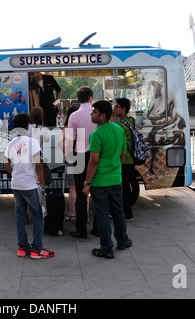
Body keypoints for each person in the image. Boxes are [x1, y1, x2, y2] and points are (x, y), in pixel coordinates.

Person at [83, 100, 132, 259]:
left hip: (100, 182)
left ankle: (106, 248)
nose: (91, 114)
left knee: (103, 214)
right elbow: (123, 154)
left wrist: (87, 183)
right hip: (116, 178)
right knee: (118, 211)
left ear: (102, 115)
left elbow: (93, 161)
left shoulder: (96, 135)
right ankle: (122, 241)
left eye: (94, 112)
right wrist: (115, 167)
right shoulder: (119, 130)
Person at [4, 112, 55, 260]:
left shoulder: (11, 143)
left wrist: (15, 173)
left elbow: (6, 164)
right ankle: (37, 249)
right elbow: (38, 164)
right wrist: (42, 180)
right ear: (27, 126)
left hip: (16, 184)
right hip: (30, 184)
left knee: (20, 215)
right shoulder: (32, 142)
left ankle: (22, 247)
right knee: (38, 214)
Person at [65, 87, 98, 238]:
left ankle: (81, 229)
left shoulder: (74, 115)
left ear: (78, 99)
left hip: (79, 156)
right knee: (98, 191)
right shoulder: (97, 113)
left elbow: (70, 138)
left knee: (80, 192)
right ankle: (98, 228)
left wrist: (67, 154)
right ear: (91, 97)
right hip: (96, 155)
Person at [113, 98, 135, 220]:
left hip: (124, 160)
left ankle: (126, 213)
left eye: (117, 107)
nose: (114, 109)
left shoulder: (120, 126)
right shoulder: (131, 121)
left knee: (122, 188)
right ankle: (127, 213)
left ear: (124, 109)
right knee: (125, 187)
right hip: (130, 160)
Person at [57, 106, 78, 222]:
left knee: (72, 188)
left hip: (71, 159)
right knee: (84, 188)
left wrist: (66, 152)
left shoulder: (68, 127)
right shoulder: (83, 125)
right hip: (84, 157)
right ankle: (86, 216)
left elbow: (59, 141)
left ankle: (72, 214)